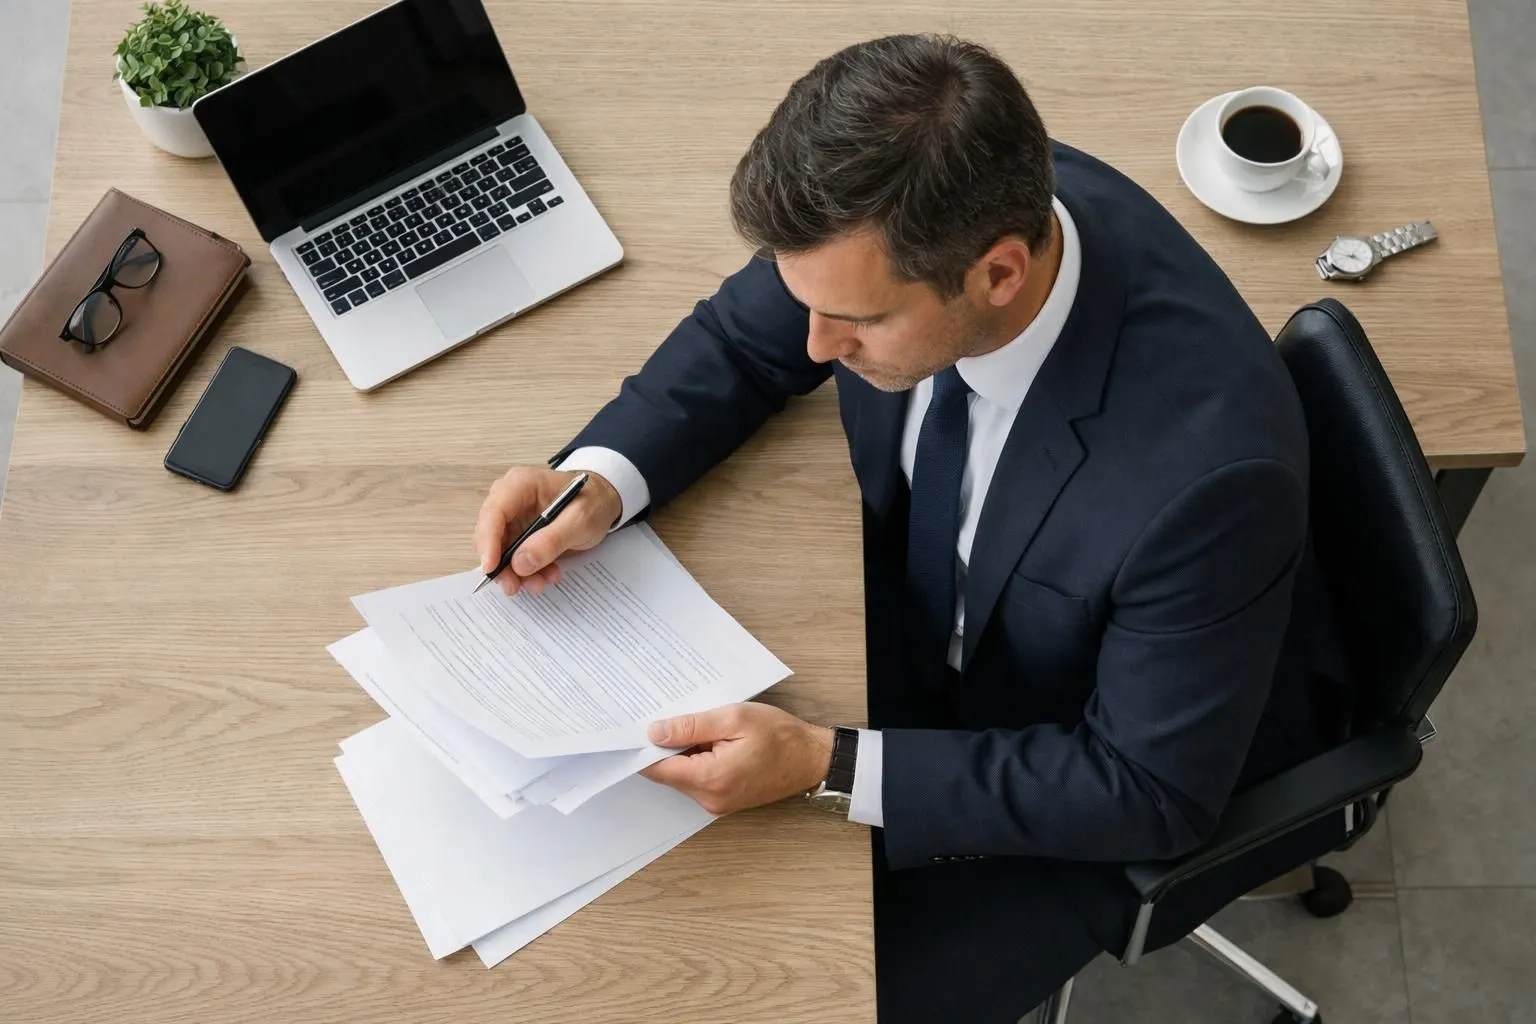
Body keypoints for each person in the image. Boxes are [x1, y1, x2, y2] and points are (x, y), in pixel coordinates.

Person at [473, 34, 1352, 1023]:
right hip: (912, 625)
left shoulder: (1207, 482)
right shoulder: (916, 209)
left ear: (1001, 275)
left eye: (858, 324)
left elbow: (1148, 788)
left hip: (1083, 764)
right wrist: (598, 479)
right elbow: (743, 338)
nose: (815, 346)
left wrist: (829, 766)